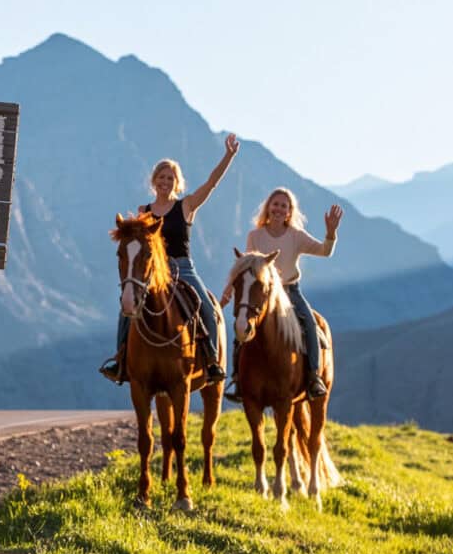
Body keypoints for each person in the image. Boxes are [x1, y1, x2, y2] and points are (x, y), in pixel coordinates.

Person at [100, 133, 240, 385]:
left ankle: (211, 359)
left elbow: (211, 183)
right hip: (153, 272)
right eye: (161, 177)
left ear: (177, 182)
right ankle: (120, 359)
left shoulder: (186, 206)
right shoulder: (144, 211)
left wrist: (228, 156)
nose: (165, 181)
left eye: (170, 178)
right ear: (154, 181)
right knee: (127, 307)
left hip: (183, 269)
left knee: (207, 306)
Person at [221, 188, 343, 401]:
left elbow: (325, 251)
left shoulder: (296, 235)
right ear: (268, 207)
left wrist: (331, 233)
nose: (278, 209)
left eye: (283, 206)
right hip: (262, 293)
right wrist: (231, 290)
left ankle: (314, 376)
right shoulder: (255, 236)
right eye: (275, 204)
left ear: (289, 212)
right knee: (243, 328)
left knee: (310, 324)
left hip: (290, 292)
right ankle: (239, 379)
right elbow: (247, 267)